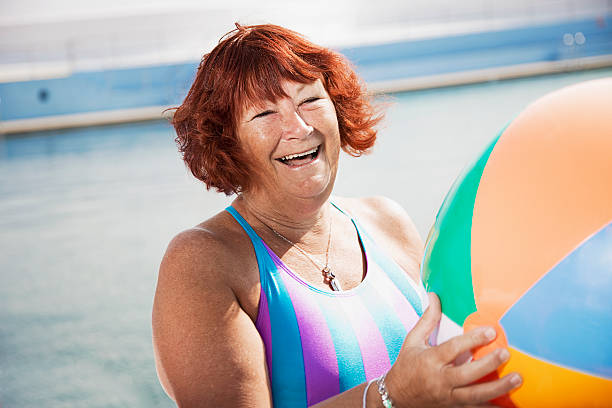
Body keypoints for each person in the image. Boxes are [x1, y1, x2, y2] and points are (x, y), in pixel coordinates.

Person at [152, 23, 522, 408]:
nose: (299, 127)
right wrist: (392, 396)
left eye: (309, 100)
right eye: (264, 113)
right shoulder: (201, 261)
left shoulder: (386, 221)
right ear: (228, 142)